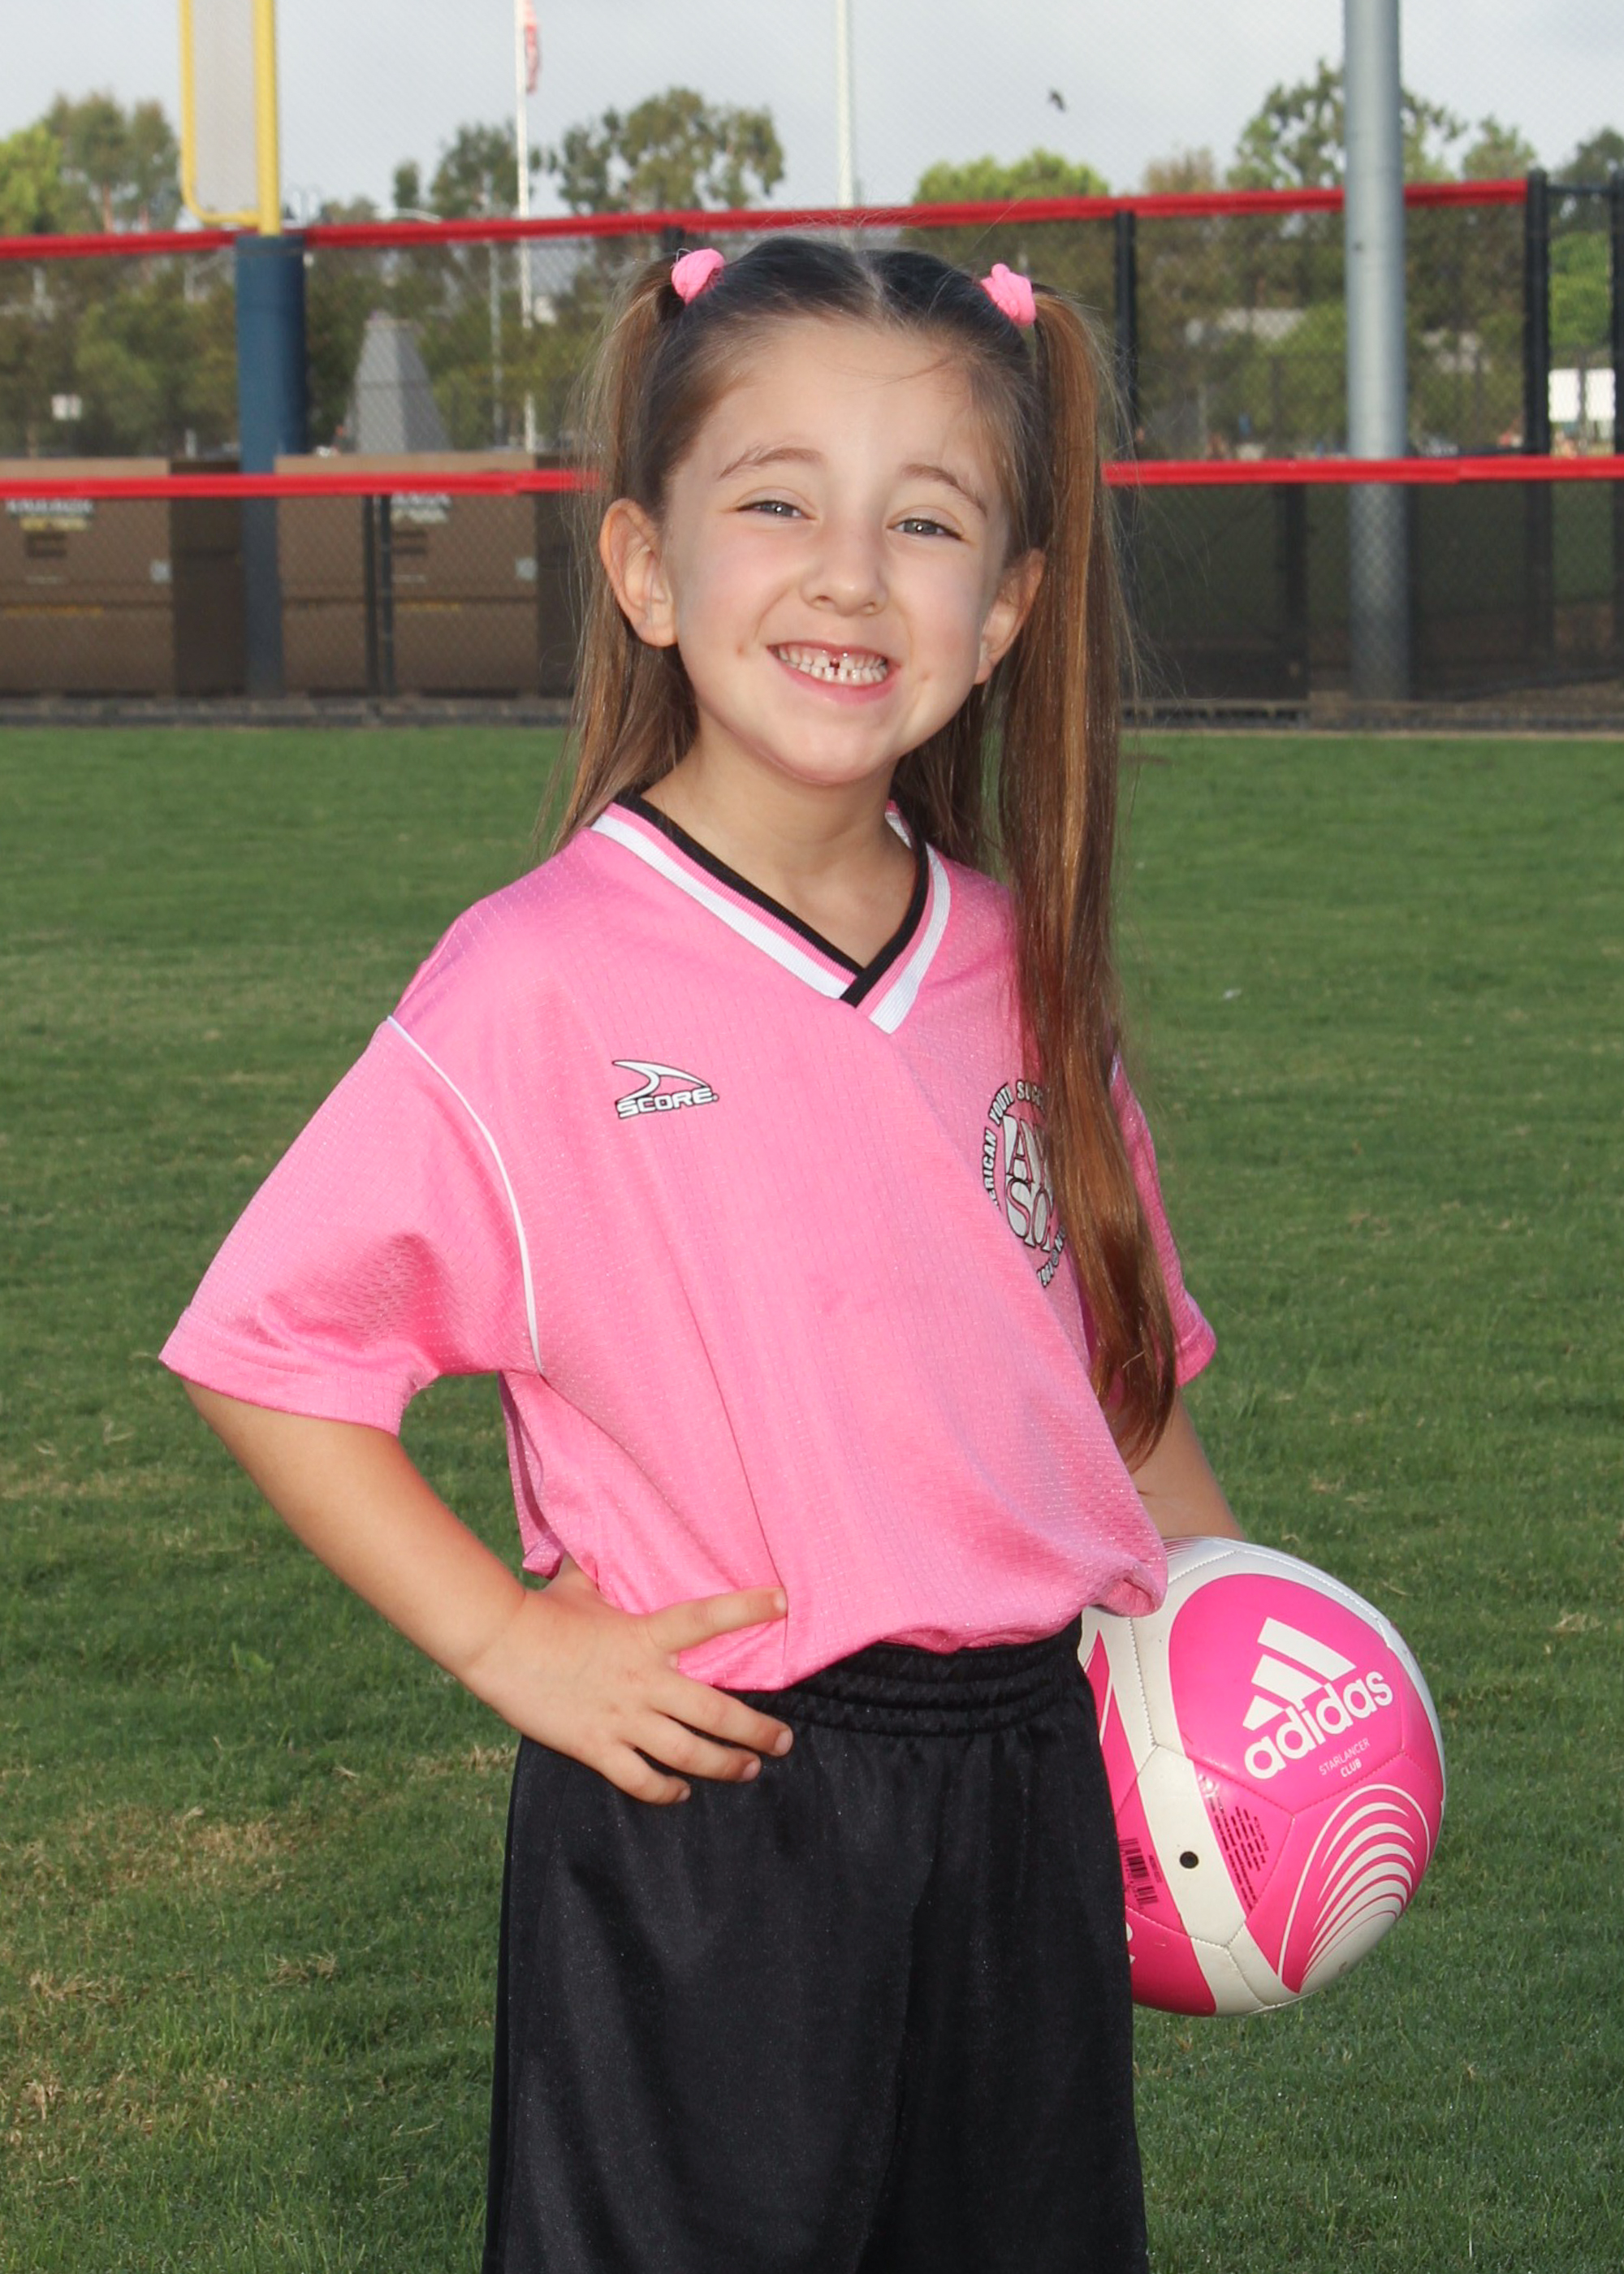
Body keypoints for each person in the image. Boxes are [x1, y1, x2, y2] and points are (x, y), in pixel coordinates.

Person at [163, 235, 1242, 2274]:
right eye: (777, 504)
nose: (849, 577)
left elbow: (1115, 1385)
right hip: (713, 1799)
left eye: (924, 523)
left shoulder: (1023, 972)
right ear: (647, 569)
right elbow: (269, 1350)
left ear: (1008, 608)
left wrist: (1231, 1662)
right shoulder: (539, 978)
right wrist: (510, 1643)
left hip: (1028, 1786)